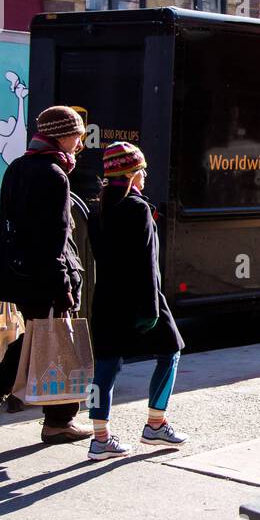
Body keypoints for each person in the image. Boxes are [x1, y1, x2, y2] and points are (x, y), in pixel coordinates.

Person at [0, 105, 91, 444]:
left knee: (37, 339)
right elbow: (54, 237)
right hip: (47, 276)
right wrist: (63, 285)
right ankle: (56, 421)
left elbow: (4, 225)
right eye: (77, 135)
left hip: (19, 274)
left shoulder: (17, 168)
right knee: (61, 344)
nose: (79, 143)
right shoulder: (54, 175)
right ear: (64, 134)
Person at [84, 141, 187, 460]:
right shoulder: (138, 208)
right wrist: (152, 310)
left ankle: (99, 438)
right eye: (142, 170)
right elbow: (147, 264)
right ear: (131, 174)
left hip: (107, 300)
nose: (145, 176)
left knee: (105, 365)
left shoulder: (97, 209)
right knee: (171, 351)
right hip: (141, 298)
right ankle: (155, 423)